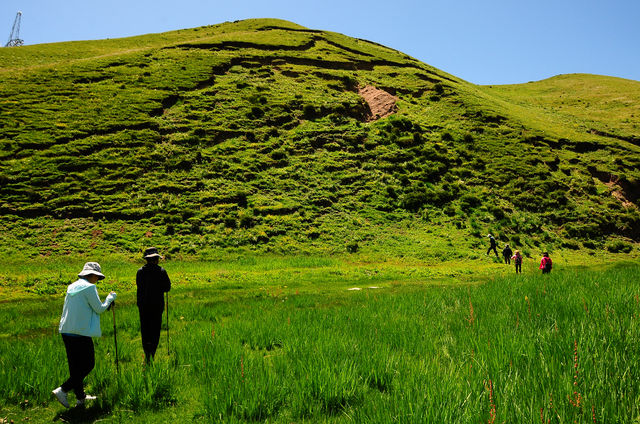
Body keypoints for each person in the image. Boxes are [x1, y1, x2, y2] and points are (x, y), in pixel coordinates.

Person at [52, 262, 116, 408]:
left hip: (67, 330)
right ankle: (63, 389)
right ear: (92, 275)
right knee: (88, 364)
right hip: (81, 332)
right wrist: (110, 298)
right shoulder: (89, 287)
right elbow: (99, 309)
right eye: (97, 277)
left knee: (75, 366)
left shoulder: (72, 286)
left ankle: (80, 398)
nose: (97, 280)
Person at [137, 247, 171, 364]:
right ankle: (152, 354)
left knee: (145, 330)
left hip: (143, 306)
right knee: (155, 330)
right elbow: (167, 288)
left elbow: (139, 287)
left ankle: (147, 355)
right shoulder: (161, 271)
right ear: (157, 259)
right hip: (157, 306)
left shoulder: (140, 271)